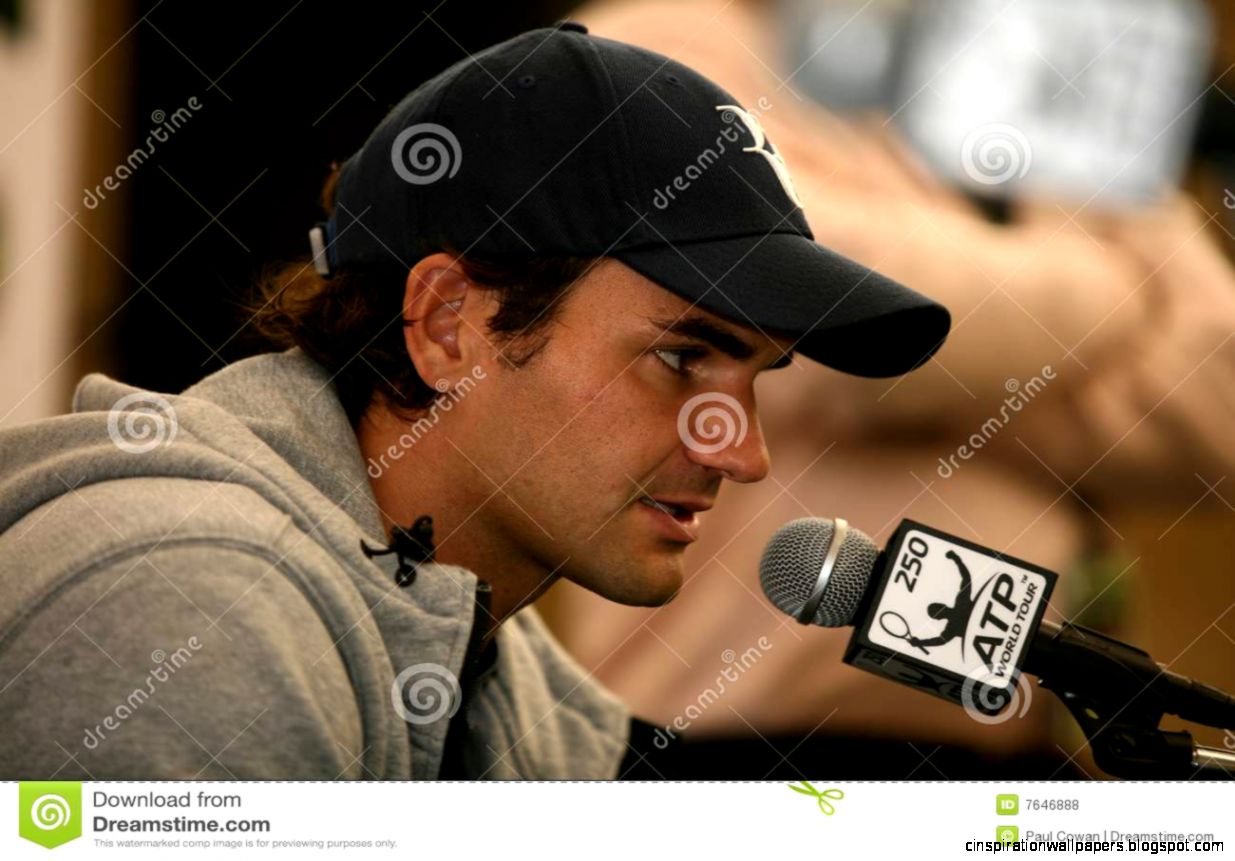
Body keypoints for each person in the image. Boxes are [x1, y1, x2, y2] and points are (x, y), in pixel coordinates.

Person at [0, 22, 949, 780]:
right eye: (682, 357)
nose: (742, 455)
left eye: (756, 377)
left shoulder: (507, 678)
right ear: (450, 323)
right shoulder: (189, 613)